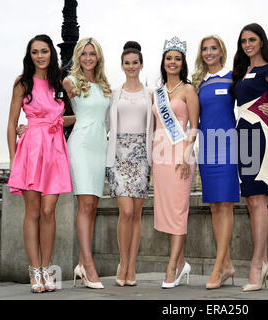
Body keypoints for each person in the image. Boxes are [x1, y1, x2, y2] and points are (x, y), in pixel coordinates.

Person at [192, 35, 268, 290]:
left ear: (222, 51)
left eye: (213, 48)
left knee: (226, 206)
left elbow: (252, 98)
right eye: (204, 49)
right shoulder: (198, 83)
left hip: (228, 144)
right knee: (214, 208)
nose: (209, 52)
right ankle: (226, 265)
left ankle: (218, 268)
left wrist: (266, 107)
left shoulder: (233, 78)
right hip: (206, 146)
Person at [7, 34, 72, 293]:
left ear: (51, 54)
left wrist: (61, 121)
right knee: (33, 212)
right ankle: (35, 271)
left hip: (55, 149)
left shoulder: (61, 82)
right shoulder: (22, 83)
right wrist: (14, 161)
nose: (40, 56)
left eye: (44, 51)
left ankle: (46, 268)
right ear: (29, 55)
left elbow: (73, 115)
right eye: (35, 52)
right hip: (31, 151)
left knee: (48, 211)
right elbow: (11, 124)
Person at [230, 23, 268, 292]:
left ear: (262, 41)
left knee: (258, 199)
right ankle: (264, 261)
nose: (247, 44)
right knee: (250, 201)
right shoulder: (241, 71)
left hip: (260, 136)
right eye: (243, 41)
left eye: (252, 39)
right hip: (241, 136)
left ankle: (256, 265)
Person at [64, 37, 111, 289]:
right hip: (81, 145)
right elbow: (62, 113)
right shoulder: (70, 82)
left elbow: (102, 116)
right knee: (85, 204)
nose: (88, 58)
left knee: (92, 205)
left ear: (98, 57)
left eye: (92, 54)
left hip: (99, 146)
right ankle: (89, 266)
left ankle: (82, 264)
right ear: (77, 56)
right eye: (84, 54)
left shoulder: (104, 85)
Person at [152, 36, 199, 288]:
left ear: (183, 63)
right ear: (163, 61)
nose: (172, 62)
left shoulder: (188, 90)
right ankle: (182, 263)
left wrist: (187, 152)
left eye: (177, 59)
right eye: (169, 58)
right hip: (160, 157)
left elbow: (194, 125)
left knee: (179, 210)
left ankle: (172, 268)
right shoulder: (157, 93)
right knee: (169, 212)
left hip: (181, 154)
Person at [106, 41, 154, 286]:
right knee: (125, 212)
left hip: (142, 155)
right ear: (122, 65)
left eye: (136, 62)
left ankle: (131, 268)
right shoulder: (115, 93)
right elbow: (102, 123)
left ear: (141, 64)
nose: (132, 66)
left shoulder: (151, 94)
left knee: (136, 214)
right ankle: (122, 263)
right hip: (118, 155)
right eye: (127, 63)